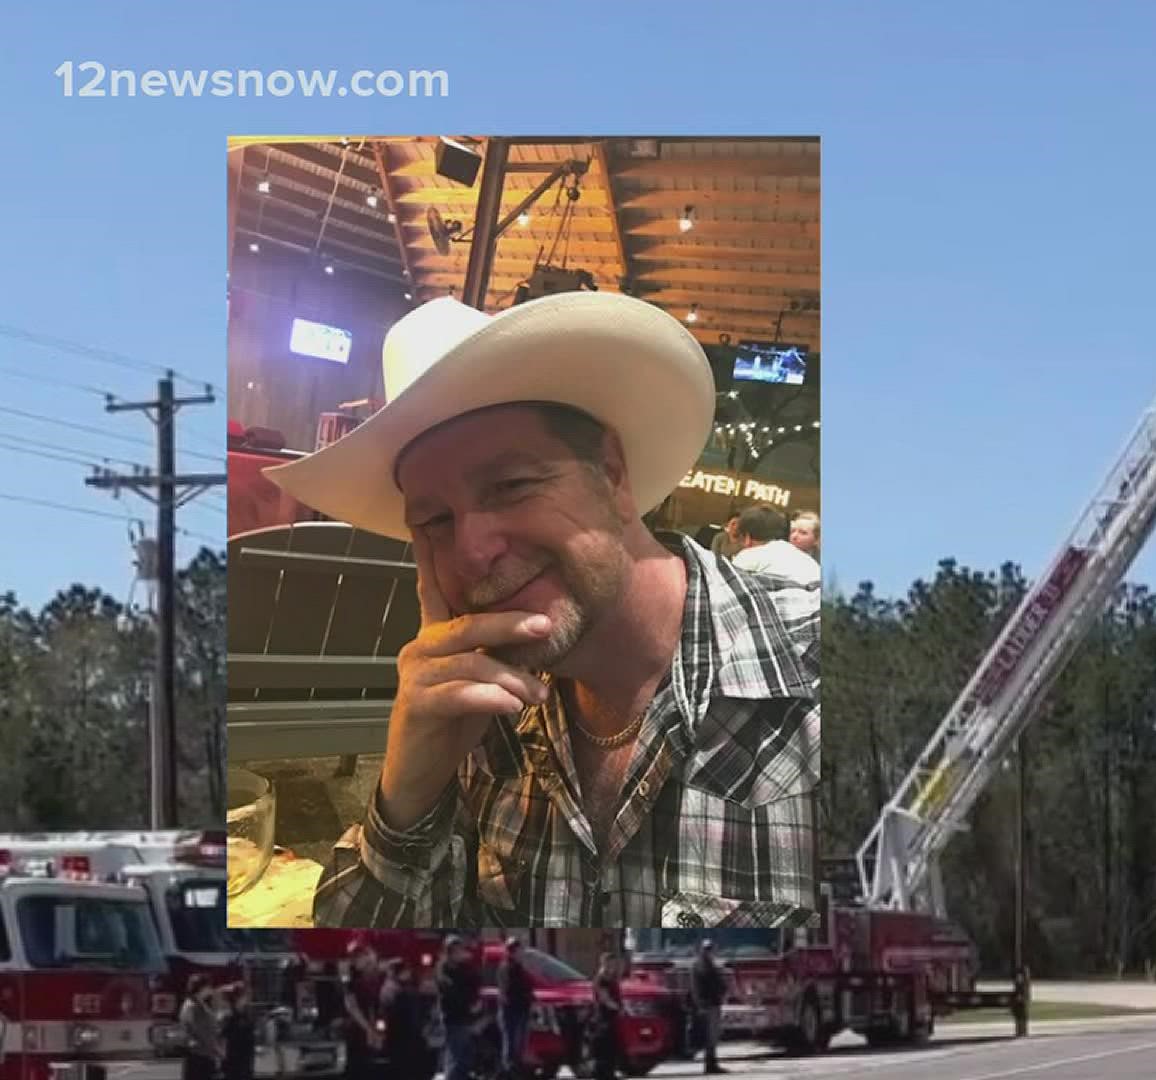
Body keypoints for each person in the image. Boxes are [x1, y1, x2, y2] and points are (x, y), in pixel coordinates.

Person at [278, 293, 821, 928]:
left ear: (613, 476)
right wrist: (406, 793)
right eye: (432, 520)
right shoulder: (480, 708)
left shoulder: (821, 670)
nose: (473, 551)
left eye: (511, 486)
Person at [730, 505, 821, 586]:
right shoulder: (814, 566)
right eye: (793, 531)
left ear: (747, 538)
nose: (795, 536)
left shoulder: (747, 556)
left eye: (803, 532)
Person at [437, 937, 484, 1080]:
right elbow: (452, 992)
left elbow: (476, 982)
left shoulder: (465, 968)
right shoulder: (444, 970)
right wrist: (469, 1004)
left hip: (467, 1019)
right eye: (457, 951)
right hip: (454, 1019)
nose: (460, 954)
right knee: (455, 1059)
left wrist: (476, 1002)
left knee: (466, 1058)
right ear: (449, 953)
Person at [379, 960, 433, 1080]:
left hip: (398, 1039)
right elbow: (413, 1013)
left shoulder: (388, 988)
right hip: (406, 1039)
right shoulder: (400, 991)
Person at [340, 943, 383, 1080]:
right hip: (357, 1029)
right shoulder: (350, 980)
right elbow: (352, 1006)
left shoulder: (376, 979)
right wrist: (369, 1030)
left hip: (372, 1026)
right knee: (357, 1065)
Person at [497, 938, 535, 1080]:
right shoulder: (507, 968)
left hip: (522, 1011)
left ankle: (517, 1071)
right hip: (512, 1012)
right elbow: (508, 992)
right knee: (512, 1046)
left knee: (520, 1047)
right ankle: (509, 1073)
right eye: (518, 950)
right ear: (512, 952)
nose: (521, 952)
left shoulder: (520, 968)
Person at [692, 940, 729, 1075]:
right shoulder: (700, 966)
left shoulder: (711, 965)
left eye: (710, 949)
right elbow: (697, 988)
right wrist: (701, 1005)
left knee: (713, 1036)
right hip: (708, 1005)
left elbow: (719, 983)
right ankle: (710, 1065)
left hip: (714, 1003)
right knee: (710, 1037)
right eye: (707, 949)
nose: (709, 951)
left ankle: (712, 1064)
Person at [178, 976, 221, 1080]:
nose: (211, 989)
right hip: (199, 1054)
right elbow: (202, 1031)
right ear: (201, 988)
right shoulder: (194, 1007)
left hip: (201, 1053)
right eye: (208, 986)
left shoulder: (199, 1004)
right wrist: (216, 1049)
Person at [590, 952, 624, 1080]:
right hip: (603, 1018)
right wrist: (617, 1007)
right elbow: (605, 998)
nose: (613, 966)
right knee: (605, 1047)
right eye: (611, 963)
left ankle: (609, 1072)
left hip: (612, 1017)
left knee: (612, 1047)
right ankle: (602, 1073)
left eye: (614, 963)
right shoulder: (601, 979)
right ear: (604, 963)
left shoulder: (612, 978)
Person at [220, 983, 256, 1080]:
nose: (248, 998)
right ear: (238, 997)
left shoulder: (246, 1014)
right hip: (233, 1060)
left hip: (246, 1059)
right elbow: (223, 1039)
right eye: (246, 995)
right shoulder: (229, 1016)